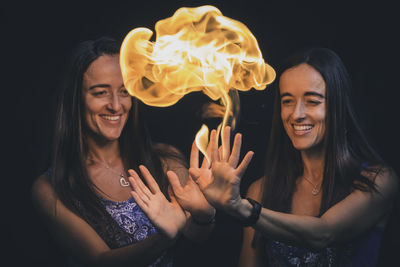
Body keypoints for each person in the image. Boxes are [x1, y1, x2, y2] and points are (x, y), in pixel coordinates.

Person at [192, 47, 399, 266]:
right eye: (287, 101)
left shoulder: (376, 180)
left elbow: (323, 234)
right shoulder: (261, 191)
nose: (296, 114)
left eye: (313, 101)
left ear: (337, 107)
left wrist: (242, 208)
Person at [31, 36, 215, 267]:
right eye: (100, 92)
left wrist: (204, 214)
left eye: (125, 91)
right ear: (75, 99)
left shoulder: (164, 159)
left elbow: (196, 234)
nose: (116, 106)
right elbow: (99, 261)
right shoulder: (51, 187)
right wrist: (163, 238)